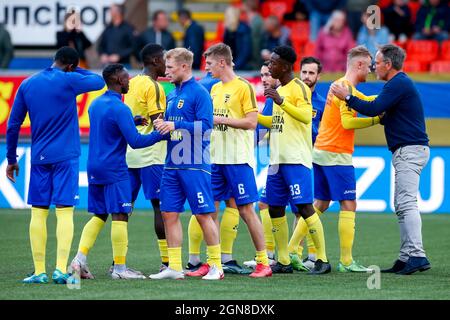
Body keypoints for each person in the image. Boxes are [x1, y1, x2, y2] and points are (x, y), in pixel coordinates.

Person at [68, 44, 169, 279]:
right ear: (116, 79)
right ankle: (121, 269)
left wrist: (130, 120)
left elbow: (110, 128)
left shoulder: (96, 104)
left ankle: (79, 260)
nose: (129, 81)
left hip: (94, 165)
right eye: (125, 77)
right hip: (116, 168)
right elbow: (136, 142)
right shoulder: (120, 107)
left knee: (99, 214)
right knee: (121, 215)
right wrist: (160, 133)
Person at [6, 47, 104, 284]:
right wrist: (75, 68)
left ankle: (39, 271)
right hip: (66, 157)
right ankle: (60, 269)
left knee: (38, 213)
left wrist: (11, 160)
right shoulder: (69, 79)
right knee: (64, 212)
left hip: (40, 157)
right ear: (70, 65)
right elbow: (98, 80)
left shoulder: (27, 84)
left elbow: (12, 125)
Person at [331, 44, 431, 275]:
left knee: (406, 203)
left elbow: (374, 107)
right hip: (408, 150)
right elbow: (384, 114)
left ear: (388, 64)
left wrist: (347, 97)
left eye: (377, 62)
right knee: (401, 205)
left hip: (409, 150)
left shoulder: (398, 83)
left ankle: (417, 255)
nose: (374, 66)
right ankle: (406, 257)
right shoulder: (398, 85)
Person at [186, 43, 272, 278]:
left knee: (246, 211)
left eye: (210, 63)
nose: (207, 68)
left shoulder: (243, 87)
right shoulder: (213, 90)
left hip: (237, 159)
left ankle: (263, 263)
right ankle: (213, 263)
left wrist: (217, 120)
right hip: (215, 159)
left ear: (222, 62)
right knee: (208, 211)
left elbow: (251, 122)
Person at [292, 46, 380, 273]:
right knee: (349, 204)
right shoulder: (344, 89)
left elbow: (364, 99)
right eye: (369, 65)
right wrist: (377, 119)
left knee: (319, 204)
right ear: (359, 65)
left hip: (320, 150)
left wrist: (383, 100)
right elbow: (348, 123)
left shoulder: (341, 85)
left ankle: (291, 250)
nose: (371, 70)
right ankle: (347, 261)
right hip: (336, 153)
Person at [148, 48, 223, 280]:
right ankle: (175, 267)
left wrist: (176, 126)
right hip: (171, 164)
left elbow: (206, 127)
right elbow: (173, 125)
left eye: (170, 68)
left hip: (194, 163)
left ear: (184, 67)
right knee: (169, 213)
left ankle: (216, 267)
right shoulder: (171, 94)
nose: (166, 72)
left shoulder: (200, 93)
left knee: (202, 214)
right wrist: (162, 125)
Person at [257, 46, 330, 274]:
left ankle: (322, 260)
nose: (270, 67)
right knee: (275, 208)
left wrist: (281, 102)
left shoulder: (298, 88)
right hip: (276, 160)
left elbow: (306, 117)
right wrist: (252, 116)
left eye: (274, 63)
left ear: (287, 66)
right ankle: (284, 260)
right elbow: (276, 123)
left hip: (296, 159)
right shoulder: (281, 88)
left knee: (304, 207)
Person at [287, 56, 326, 270]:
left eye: (311, 73)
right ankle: (295, 255)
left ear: (318, 76)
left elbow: (326, 132)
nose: (307, 77)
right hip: (288, 157)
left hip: (312, 159)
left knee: (305, 208)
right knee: (293, 207)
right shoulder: (289, 97)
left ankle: (311, 255)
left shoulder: (322, 103)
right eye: (304, 72)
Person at [223, 6, 252, 70]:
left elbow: (245, 52)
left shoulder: (244, 30)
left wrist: (234, 67)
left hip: (242, 67)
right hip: (232, 66)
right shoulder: (227, 31)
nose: (225, 18)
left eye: (228, 17)